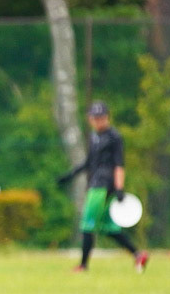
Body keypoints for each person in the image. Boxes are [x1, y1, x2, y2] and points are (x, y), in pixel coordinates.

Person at [57, 100, 149, 273]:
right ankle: (138, 255)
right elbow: (89, 162)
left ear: (107, 117)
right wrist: (71, 175)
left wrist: (119, 188)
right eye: (95, 117)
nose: (98, 121)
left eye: (101, 117)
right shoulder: (94, 137)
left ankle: (83, 265)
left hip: (103, 186)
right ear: (90, 119)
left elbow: (119, 164)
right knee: (108, 227)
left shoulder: (114, 137)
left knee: (87, 225)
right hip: (95, 183)